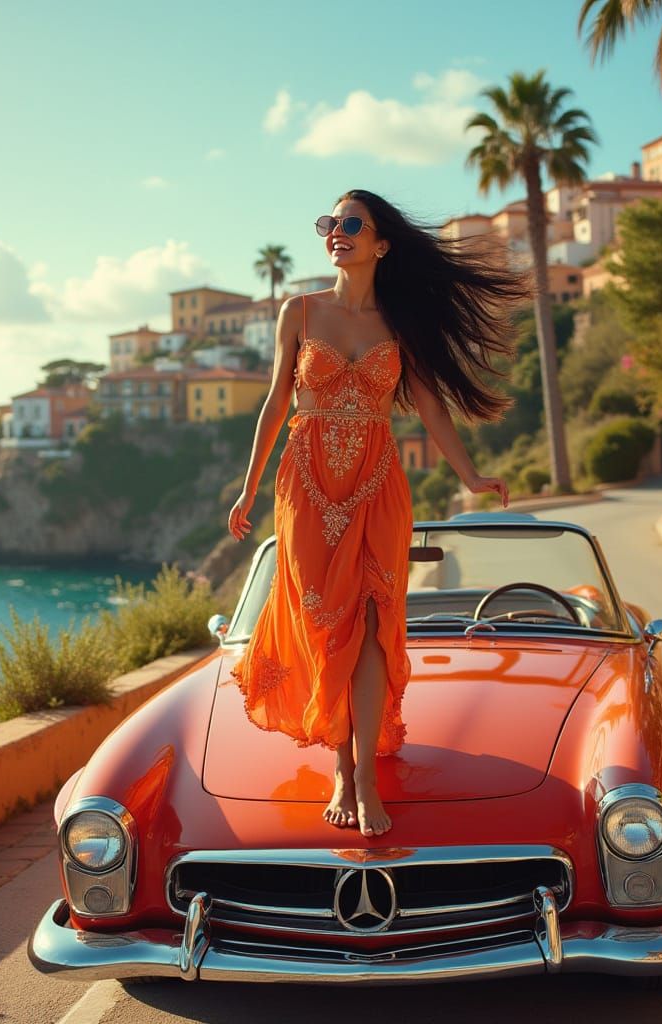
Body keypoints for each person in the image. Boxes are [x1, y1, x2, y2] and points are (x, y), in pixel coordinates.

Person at [227, 189, 530, 838]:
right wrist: (248, 488)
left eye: (352, 224)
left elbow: (429, 405)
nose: (337, 232)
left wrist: (471, 474)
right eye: (330, 223)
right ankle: (340, 763)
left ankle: (363, 773)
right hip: (306, 486)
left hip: (378, 483)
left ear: (381, 243)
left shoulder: (401, 322)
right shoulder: (298, 312)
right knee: (324, 627)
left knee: (369, 622)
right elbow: (276, 404)